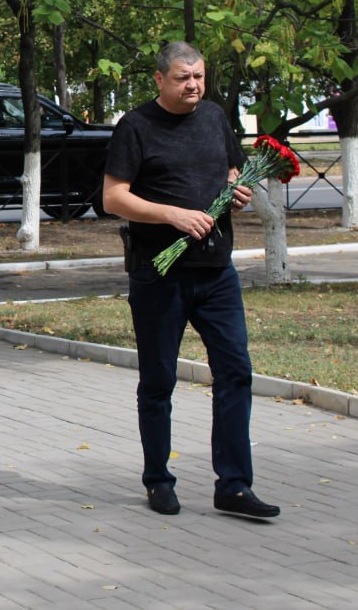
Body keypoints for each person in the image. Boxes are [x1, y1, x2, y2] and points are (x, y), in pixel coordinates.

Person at [102, 41, 281, 520]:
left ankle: (234, 485)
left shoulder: (215, 118)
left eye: (199, 76)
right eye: (183, 77)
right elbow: (114, 197)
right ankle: (158, 480)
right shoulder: (135, 127)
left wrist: (235, 191)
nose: (194, 85)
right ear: (159, 79)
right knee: (158, 381)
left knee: (236, 373)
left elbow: (230, 168)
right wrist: (173, 216)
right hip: (158, 273)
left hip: (217, 272)